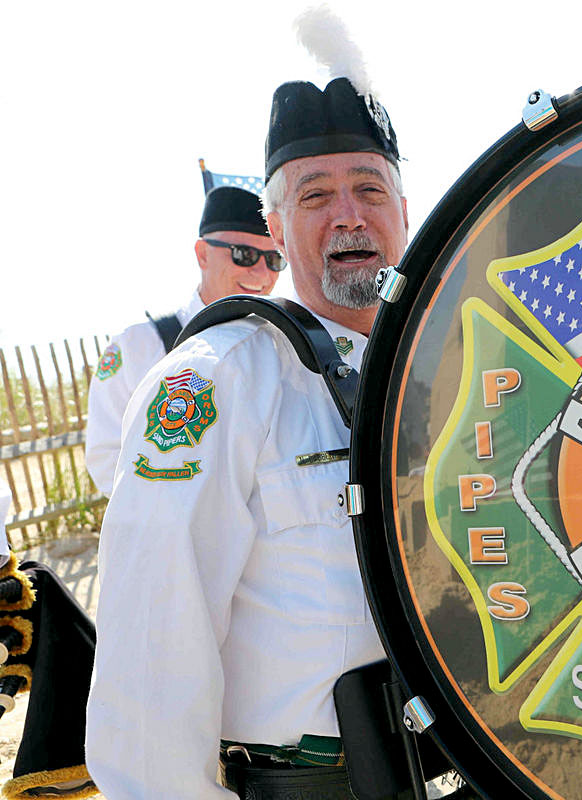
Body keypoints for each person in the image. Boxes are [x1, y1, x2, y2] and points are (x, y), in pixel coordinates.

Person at [84, 75, 409, 798]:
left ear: (404, 211)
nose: (349, 216)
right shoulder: (218, 381)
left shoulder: (442, 377)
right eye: (316, 196)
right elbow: (150, 664)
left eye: (370, 189)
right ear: (278, 226)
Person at [84, 187, 282, 496]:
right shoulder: (141, 346)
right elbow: (106, 457)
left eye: (274, 259)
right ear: (203, 254)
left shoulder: (283, 347)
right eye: (244, 255)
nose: (261, 272)